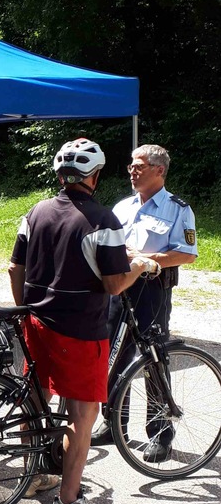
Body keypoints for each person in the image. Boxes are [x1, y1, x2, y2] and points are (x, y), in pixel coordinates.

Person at [8, 138, 159, 504]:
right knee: (83, 415)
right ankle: (69, 501)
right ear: (94, 175)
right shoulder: (102, 219)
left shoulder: (36, 212)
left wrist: (25, 306)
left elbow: (15, 268)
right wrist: (141, 266)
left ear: (60, 175)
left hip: (37, 321)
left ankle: (33, 473)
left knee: (35, 400)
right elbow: (113, 284)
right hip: (80, 329)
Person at [91, 144, 197, 461]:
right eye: (131, 166)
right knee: (112, 355)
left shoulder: (178, 209)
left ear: (159, 170)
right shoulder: (123, 207)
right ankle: (113, 424)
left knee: (153, 359)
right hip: (118, 287)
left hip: (151, 289)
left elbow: (186, 254)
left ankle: (161, 433)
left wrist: (143, 259)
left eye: (139, 166)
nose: (133, 171)